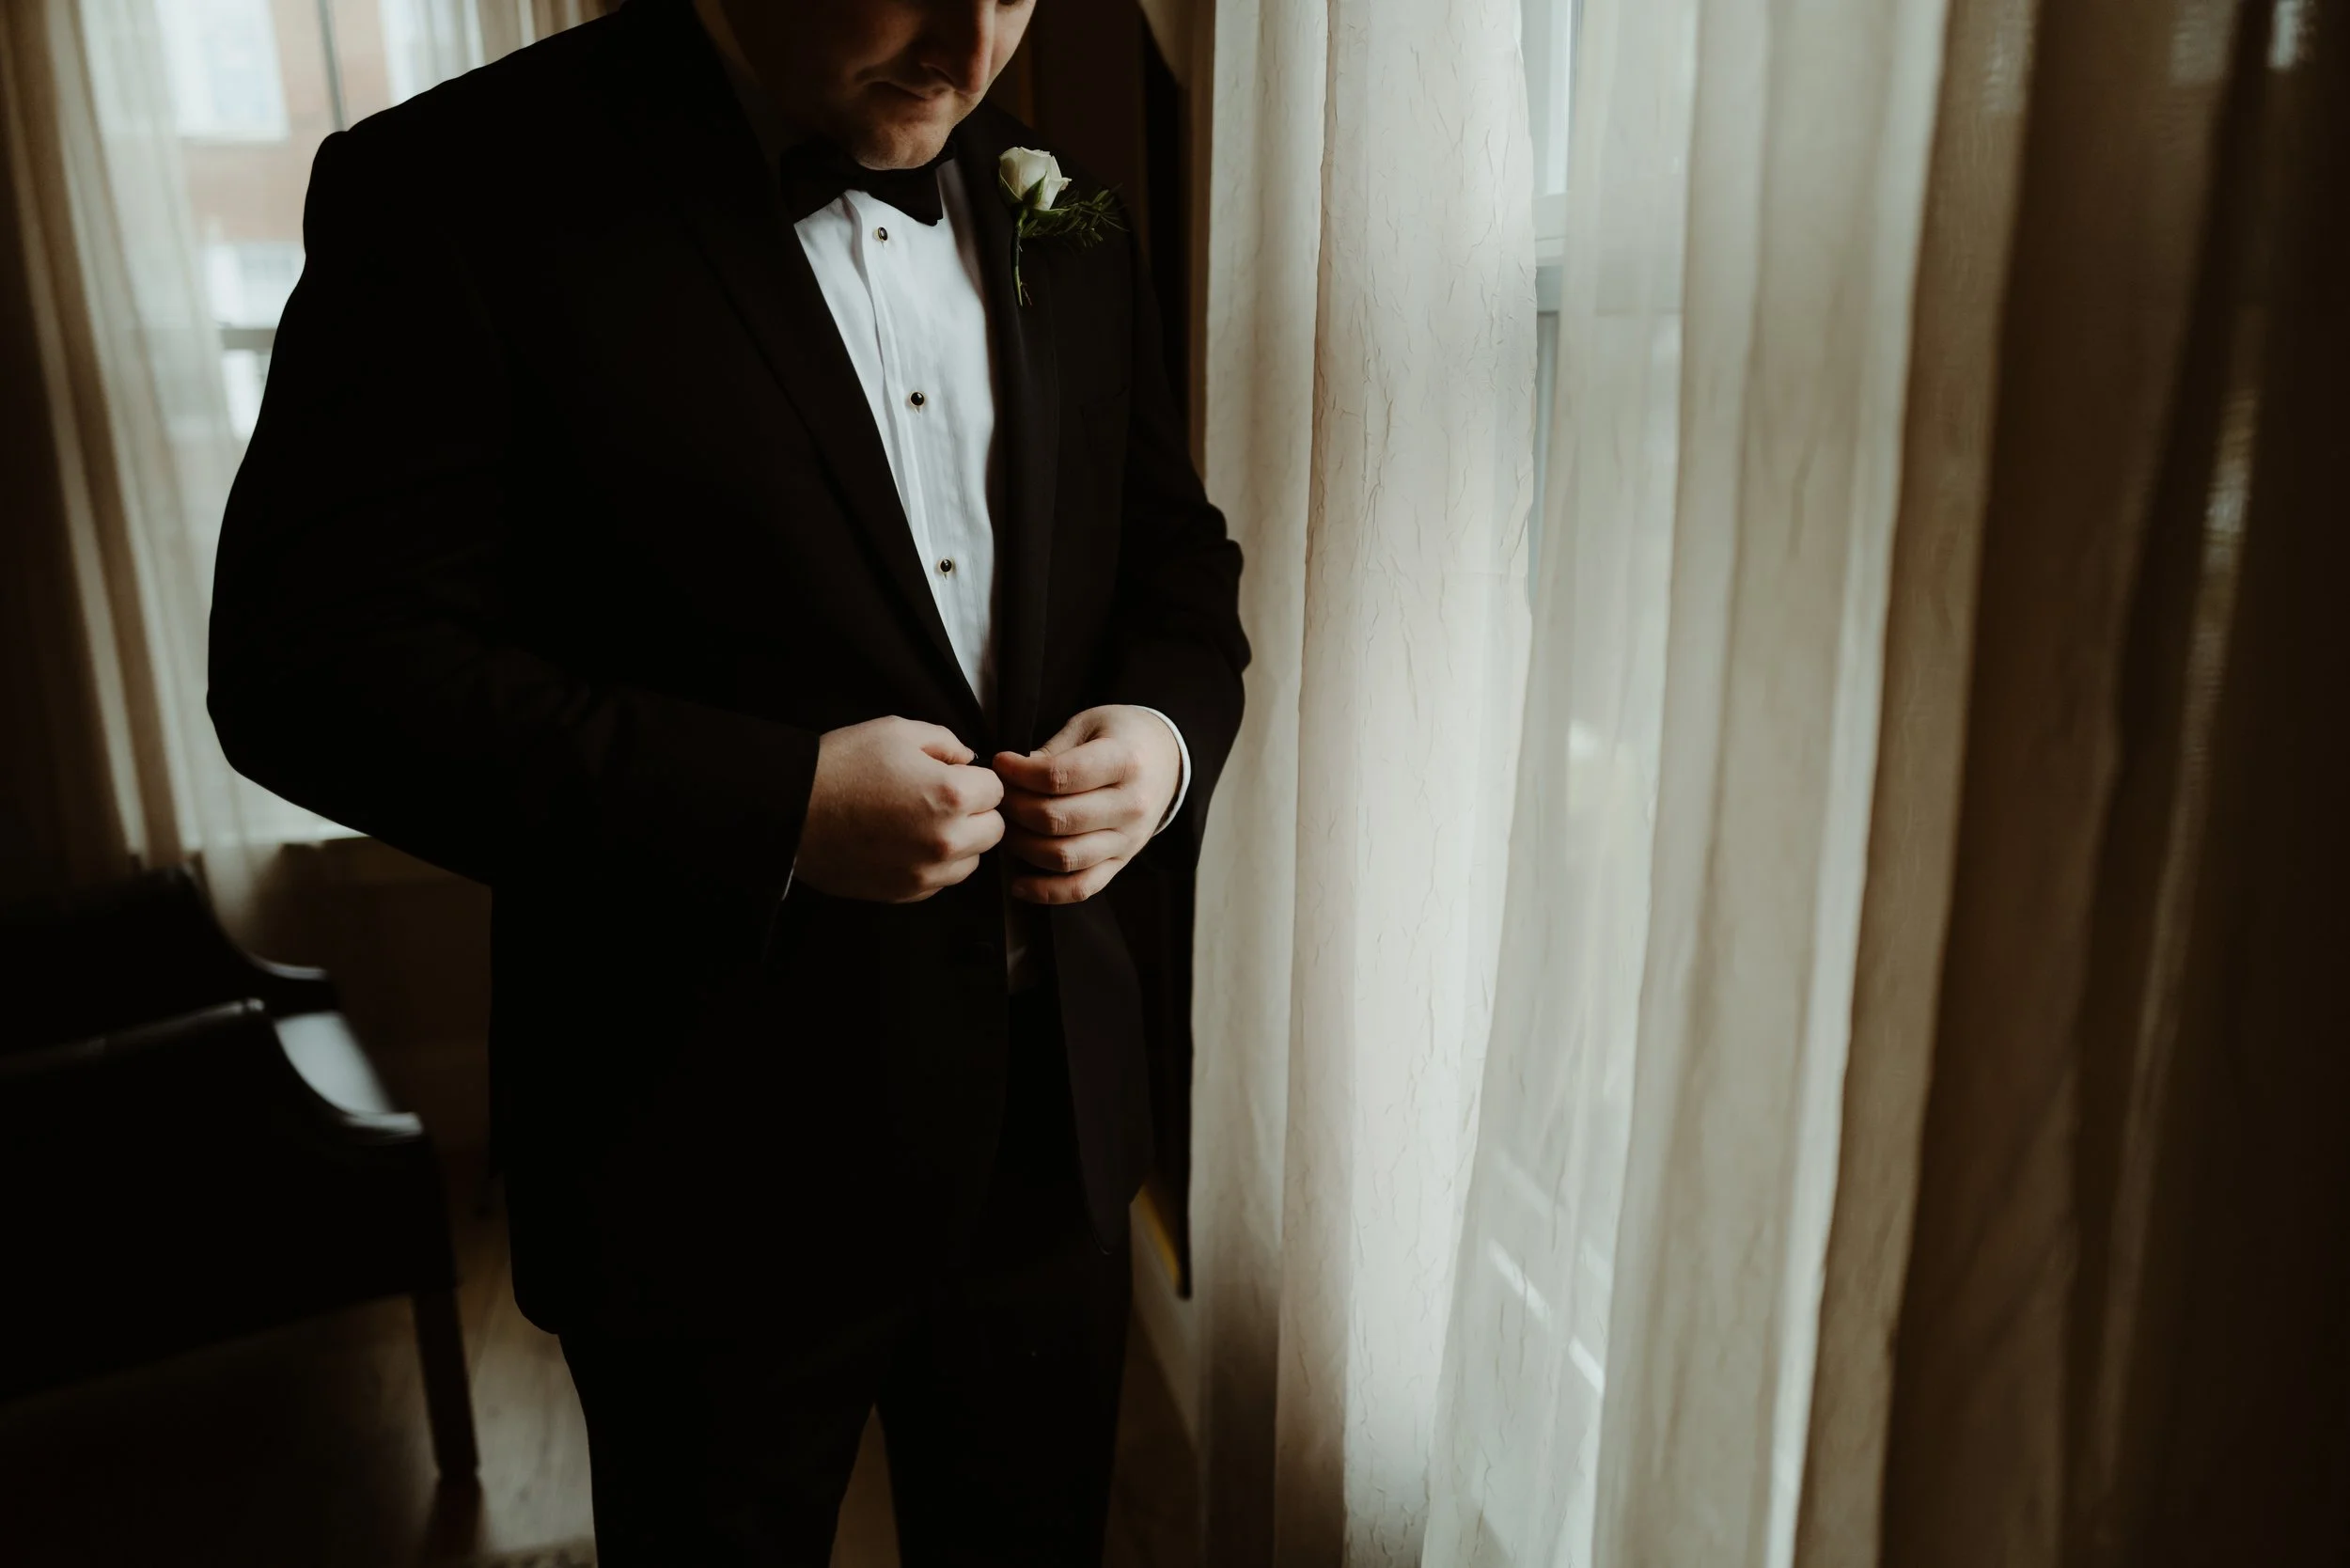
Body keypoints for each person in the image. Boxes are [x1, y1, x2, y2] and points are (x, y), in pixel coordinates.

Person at [206, 0, 1247, 1560]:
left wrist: (1159, 746)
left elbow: (1174, 558)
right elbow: (311, 674)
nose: (973, 49)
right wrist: (775, 809)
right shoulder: (453, 189)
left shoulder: (1057, 198)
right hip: (706, 1161)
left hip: (1050, 1133)